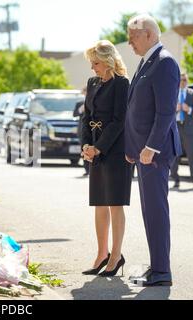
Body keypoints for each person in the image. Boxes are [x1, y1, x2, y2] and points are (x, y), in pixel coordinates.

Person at [125, 14, 182, 287]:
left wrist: (149, 147)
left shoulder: (165, 62)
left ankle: (162, 272)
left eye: (132, 36)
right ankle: (158, 265)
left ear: (148, 34)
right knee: (149, 211)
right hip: (143, 153)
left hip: (154, 153)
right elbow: (137, 109)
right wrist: (132, 148)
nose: (129, 42)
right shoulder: (148, 61)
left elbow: (165, 112)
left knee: (156, 210)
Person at [81, 40, 132, 277]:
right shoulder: (92, 83)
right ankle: (101, 254)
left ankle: (116, 255)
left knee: (114, 203)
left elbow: (120, 120)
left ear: (108, 60)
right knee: (99, 202)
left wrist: (99, 148)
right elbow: (86, 116)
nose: (93, 68)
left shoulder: (122, 84)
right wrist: (86, 144)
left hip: (115, 150)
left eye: (96, 63)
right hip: (95, 149)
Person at [170, 73, 193, 189]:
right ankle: (175, 179)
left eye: (184, 80)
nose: (182, 82)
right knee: (174, 155)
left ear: (187, 81)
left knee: (192, 156)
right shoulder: (173, 94)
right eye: (180, 80)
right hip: (176, 128)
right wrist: (175, 108)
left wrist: (189, 109)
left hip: (189, 128)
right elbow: (165, 109)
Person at [73, 87, 89, 176]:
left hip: (92, 128)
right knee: (84, 148)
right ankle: (87, 170)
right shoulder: (79, 103)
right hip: (82, 130)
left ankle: (92, 169)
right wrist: (80, 109)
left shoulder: (95, 100)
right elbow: (74, 114)